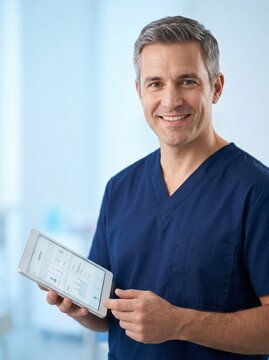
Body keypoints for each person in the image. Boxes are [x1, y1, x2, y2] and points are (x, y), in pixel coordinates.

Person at [44, 16, 269, 359]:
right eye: (155, 84)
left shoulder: (256, 191)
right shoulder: (120, 189)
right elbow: (109, 313)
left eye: (187, 81)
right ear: (139, 92)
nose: (170, 100)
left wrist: (179, 323)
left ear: (216, 87)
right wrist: (85, 312)